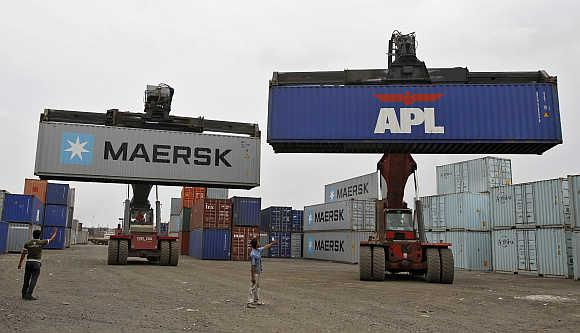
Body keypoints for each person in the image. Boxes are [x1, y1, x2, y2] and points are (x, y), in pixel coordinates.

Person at [18, 228, 58, 300]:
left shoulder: (27, 243)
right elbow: (51, 239)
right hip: (36, 263)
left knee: (26, 279)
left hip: (28, 262)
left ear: (33, 235)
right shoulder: (41, 242)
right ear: (39, 236)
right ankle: (29, 295)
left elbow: (23, 254)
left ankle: (23, 294)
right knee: (34, 279)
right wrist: (55, 232)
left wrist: (20, 263)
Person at [247, 237, 277, 308]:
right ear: (255, 244)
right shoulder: (253, 254)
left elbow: (265, 247)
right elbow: (252, 266)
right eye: (258, 242)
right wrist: (252, 277)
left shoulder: (258, 250)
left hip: (258, 272)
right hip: (255, 273)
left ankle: (256, 300)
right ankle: (249, 302)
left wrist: (272, 243)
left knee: (257, 286)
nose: (259, 243)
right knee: (252, 286)